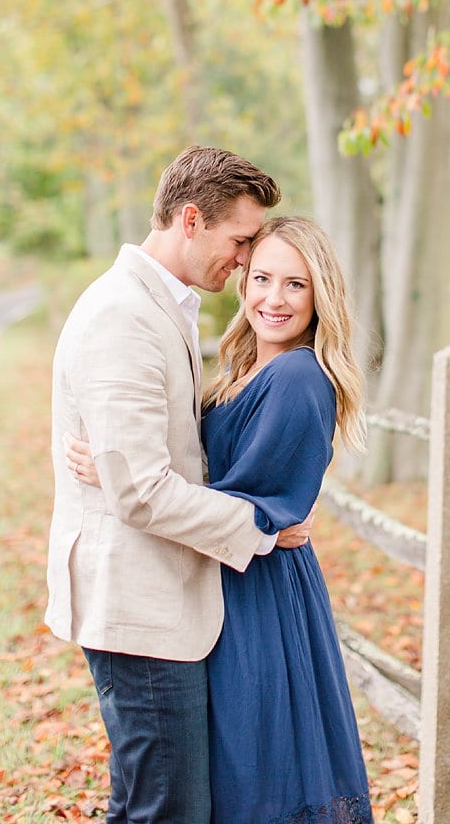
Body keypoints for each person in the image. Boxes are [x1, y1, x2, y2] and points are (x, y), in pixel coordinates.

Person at [68, 216, 373, 824]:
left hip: (258, 590)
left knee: (255, 771)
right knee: (211, 772)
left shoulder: (297, 377)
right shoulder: (242, 367)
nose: (274, 298)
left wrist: (123, 474)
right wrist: (130, 468)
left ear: (321, 296)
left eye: (295, 285)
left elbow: (260, 506)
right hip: (224, 576)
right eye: (261, 278)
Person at [47, 145, 303, 824]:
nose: (247, 259)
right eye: (241, 239)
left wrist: (120, 464)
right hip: (139, 605)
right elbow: (140, 493)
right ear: (190, 219)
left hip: (161, 597)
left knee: (153, 803)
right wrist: (259, 528)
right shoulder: (121, 315)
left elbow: (141, 463)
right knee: (166, 810)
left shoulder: (163, 304)